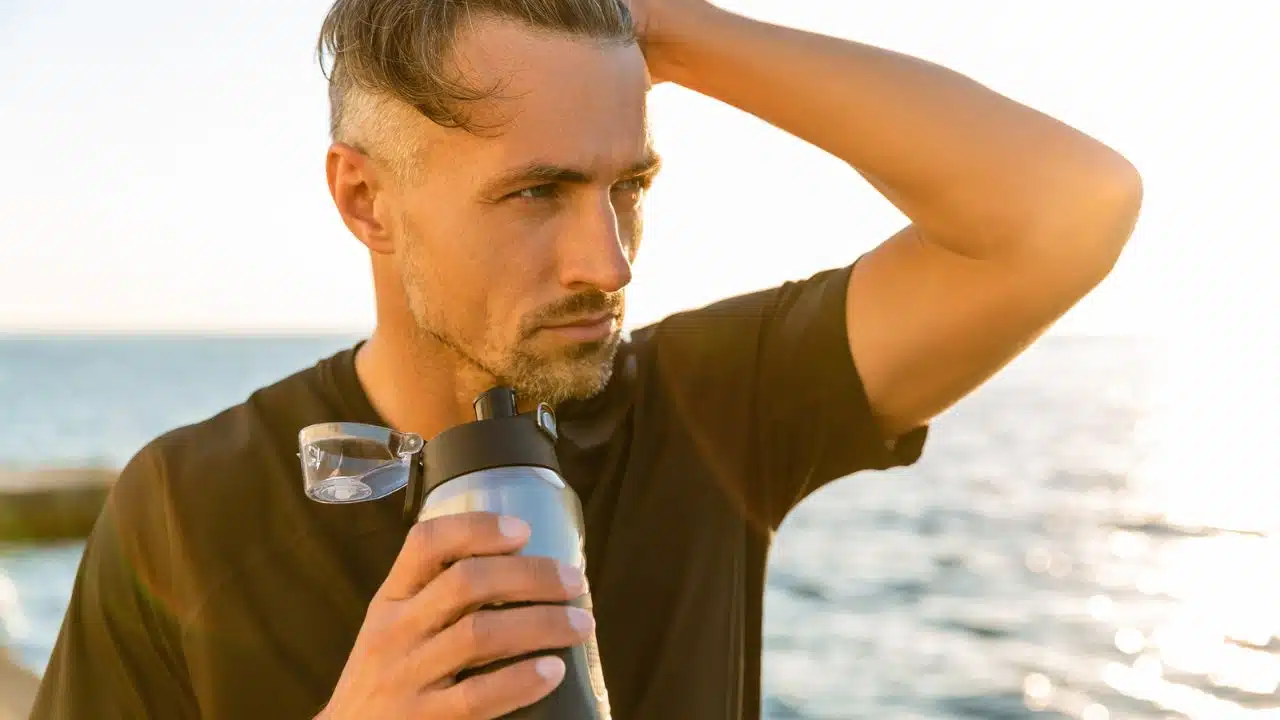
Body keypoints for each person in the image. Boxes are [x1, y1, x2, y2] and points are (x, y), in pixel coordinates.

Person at [31, 0, 1142, 717]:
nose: (606, 261)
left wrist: (660, 28)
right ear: (365, 199)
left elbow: (1065, 208)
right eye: (537, 192)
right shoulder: (184, 505)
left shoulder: (706, 406)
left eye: (629, 187)